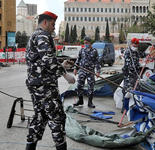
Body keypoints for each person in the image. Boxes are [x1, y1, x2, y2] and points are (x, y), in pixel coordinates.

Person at [25, 11, 75, 150]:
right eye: (53, 24)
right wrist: (66, 75)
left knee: (40, 117)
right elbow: (48, 61)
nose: (54, 27)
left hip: (37, 84)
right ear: (45, 22)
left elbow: (42, 61)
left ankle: (30, 147)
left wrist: (61, 65)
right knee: (57, 117)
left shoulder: (35, 35)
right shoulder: (42, 35)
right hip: (45, 86)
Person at [73, 36, 101, 108]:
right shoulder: (82, 50)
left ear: (90, 43)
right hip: (82, 70)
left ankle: (90, 102)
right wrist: (75, 68)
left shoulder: (94, 51)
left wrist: (98, 71)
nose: (85, 44)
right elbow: (78, 59)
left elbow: (97, 62)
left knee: (90, 87)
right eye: (84, 43)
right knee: (79, 86)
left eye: (87, 43)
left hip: (90, 72)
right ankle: (80, 100)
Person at [121, 38, 141, 112]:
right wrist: (133, 69)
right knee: (127, 91)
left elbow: (137, 62)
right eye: (134, 44)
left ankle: (135, 106)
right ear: (131, 43)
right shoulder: (128, 52)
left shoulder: (137, 52)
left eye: (136, 44)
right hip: (128, 74)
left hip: (136, 75)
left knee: (137, 90)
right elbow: (128, 64)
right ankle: (125, 107)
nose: (135, 45)